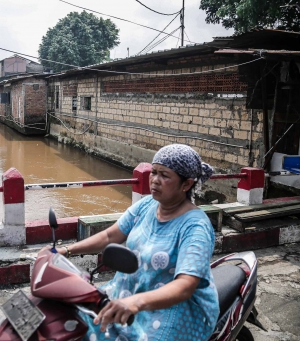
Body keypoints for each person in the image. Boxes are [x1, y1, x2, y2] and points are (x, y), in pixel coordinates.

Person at [46, 144, 220, 341]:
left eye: (164, 175)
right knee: (75, 323)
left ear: (186, 184)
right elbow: (110, 236)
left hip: (174, 311)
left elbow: (185, 285)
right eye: (153, 172)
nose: (155, 180)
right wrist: (65, 250)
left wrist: (136, 302)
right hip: (127, 295)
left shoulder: (195, 227)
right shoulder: (147, 205)